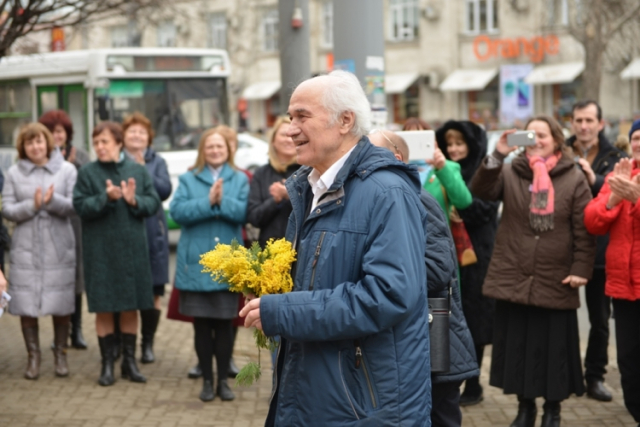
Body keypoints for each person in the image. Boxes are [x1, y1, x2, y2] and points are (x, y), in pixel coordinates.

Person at [240, 71, 432, 426]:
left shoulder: (387, 192)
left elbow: (387, 296)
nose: (290, 129)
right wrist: (269, 288)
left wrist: (282, 311)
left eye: (302, 116)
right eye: (289, 117)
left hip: (365, 406)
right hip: (317, 392)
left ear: (345, 120)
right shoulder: (310, 188)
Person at [471, 115, 595, 427]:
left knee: (555, 351)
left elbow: (584, 230)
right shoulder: (511, 170)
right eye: (530, 135)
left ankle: (553, 410)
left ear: (556, 140)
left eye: (543, 135)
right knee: (519, 349)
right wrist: (498, 154)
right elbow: (481, 190)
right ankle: (525, 408)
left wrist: (581, 268)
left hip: (556, 278)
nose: (536, 141)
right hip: (514, 274)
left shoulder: (574, 176)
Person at [370, 129, 478, 427]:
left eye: (370, 152)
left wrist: (379, 273)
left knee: (440, 417)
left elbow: (437, 270)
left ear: (396, 158)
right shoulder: (377, 197)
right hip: (409, 342)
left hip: (434, 340)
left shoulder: (419, 200)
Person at [73, 121, 160, 387]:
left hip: (131, 251)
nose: (100, 147)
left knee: (130, 306)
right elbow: (79, 206)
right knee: (104, 308)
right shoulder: (87, 172)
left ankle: (129, 364)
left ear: (119, 143)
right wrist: (106, 197)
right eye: (96, 142)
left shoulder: (136, 170)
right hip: (99, 250)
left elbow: (153, 203)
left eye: (105, 142)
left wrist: (134, 200)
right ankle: (107, 364)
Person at [170, 127, 249, 403]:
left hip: (228, 264)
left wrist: (221, 200)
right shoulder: (189, 178)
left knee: (225, 325)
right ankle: (206, 380)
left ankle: (222, 382)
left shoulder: (239, 179)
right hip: (197, 264)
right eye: (210, 147)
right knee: (201, 325)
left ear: (228, 150)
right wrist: (207, 202)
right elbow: (178, 213)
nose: (215, 151)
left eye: (220, 147)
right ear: (203, 150)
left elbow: (243, 212)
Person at [2, 123, 78, 379]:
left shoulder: (66, 170)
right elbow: (7, 209)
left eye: (39, 141)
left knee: (61, 304)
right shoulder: (13, 172)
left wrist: (52, 201)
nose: (35, 147)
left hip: (58, 246)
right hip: (25, 247)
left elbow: (74, 206)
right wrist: (32, 205)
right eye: (29, 143)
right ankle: (33, 357)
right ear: (23, 147)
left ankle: (60, 355)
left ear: (48, 143)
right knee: (25, 305)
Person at [435, 120, 499, 406]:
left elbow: (482, 211)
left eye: (459, 143)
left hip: (477, 257)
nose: (454, 149)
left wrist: (463, 212)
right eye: (449, 144)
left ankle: (473, 384)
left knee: (475, 321)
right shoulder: (438, 172)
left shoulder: (484, 172)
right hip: (449, 257)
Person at [566, 100, 626, 402]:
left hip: (601, 252)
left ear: (600, 124)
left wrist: (594, 179)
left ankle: (595, 377)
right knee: (562, 317)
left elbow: (621, 192)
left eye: (589, 120)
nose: (584, 126)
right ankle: (566, 375)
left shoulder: (616, 157)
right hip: (565, 249)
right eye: (578, 120)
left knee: (600, 321)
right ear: (572, 122)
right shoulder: (560, 151)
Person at [584, 119, 640, 426]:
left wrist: (637, 197)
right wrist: (614, 198)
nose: (639, 143)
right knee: (629, 363)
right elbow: (592, 221)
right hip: (623, 285)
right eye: (635, 138)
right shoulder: (618, 175)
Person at [39, 109, 91, 349]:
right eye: (50, 131)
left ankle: (77, 331)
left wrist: (72, 167)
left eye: (59, 131)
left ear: (67, 133)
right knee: (56, 278)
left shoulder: (80, 155)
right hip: (49, 221)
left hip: (76, 223)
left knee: (76, 277)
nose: (55, 135)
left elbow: (91, 184)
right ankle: (59, 333)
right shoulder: (39, 155)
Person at [122, 112, 172, 364]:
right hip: (125, 232)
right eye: (132, 131)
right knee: (127, 292)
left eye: (141, 132)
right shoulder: (116, 160)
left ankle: (147, 343)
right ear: (123, 136)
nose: (136, 135)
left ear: (149, 137)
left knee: (154, 292)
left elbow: (164, 190)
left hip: (153, 233)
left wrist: (143, 171)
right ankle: (124, 343)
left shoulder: (157, 161)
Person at [403, 119, 472, 222]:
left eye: (420, 138)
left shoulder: (446, 167)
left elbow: (464, 201)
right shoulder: (397, 170)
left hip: (437, 236)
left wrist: (442, 168)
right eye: (410, 139)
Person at [247, 116, 298, 248]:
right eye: (283, 135)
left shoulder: (310, 171)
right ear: (273, 140)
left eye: (293, 135)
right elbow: (254, 218)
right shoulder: (261, 173)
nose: (288, 139)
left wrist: (291, 194)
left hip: (301, 248)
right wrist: (275, 200)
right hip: (269, 252)